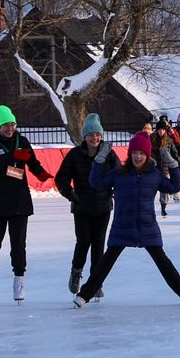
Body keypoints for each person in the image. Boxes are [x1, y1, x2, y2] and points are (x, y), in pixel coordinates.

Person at [74, 130, 180, 306]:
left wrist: (172, 164)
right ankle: (84, 295)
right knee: (105, 263)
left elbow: (174, 186)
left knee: (163, 263)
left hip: (147, 228)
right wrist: (99, 159)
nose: (138, 157)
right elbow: (96, 183)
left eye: (141, 153)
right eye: (134, 153)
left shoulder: (154, 175)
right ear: (130, 154)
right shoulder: (119, 174)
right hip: (123, 227)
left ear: (147, 155)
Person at [0, 104, 52, 304]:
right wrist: (13, 156)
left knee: (18, 245)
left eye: (13, 124)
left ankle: (19, 280)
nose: (10, 128)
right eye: (6, 125)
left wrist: (41, 173)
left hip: (19, 201)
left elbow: (32, 162)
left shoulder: (22, 140)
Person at [56, 113, 116, 295]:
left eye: (97, 134)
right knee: (83, 242)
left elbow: (119, 174)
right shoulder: (75, 155)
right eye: (90, 134)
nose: (94, 138)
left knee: (98, 245)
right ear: (84, 137)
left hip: (103, 207)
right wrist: (71, 195)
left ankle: (95, 283)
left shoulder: (108, 153)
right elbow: (61, 177)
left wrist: (113, 192)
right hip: (82, 207)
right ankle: (76, 272)